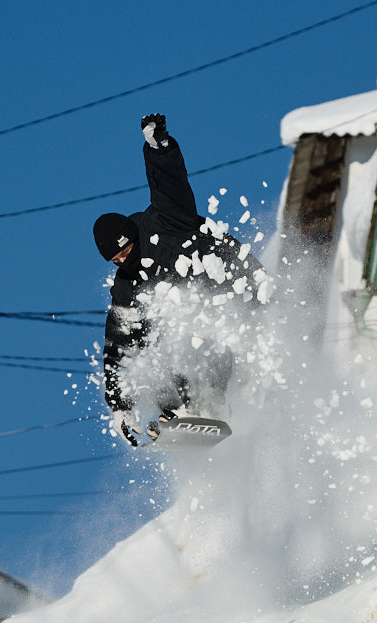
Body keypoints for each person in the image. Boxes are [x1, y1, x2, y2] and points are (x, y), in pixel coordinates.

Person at [93, 114, 263, 446]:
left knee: (192, 324)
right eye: (116, 262)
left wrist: (159, 148)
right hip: (198, 314)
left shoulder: (164, 221)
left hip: (234, 283)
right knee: (151, 340)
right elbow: (119, 343)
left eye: (125, 253)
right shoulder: (127, 284)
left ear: (132, 238)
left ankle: (206, 401)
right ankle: (180, 409)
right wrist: (120, 405)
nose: (123, 262)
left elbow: (170, 185)